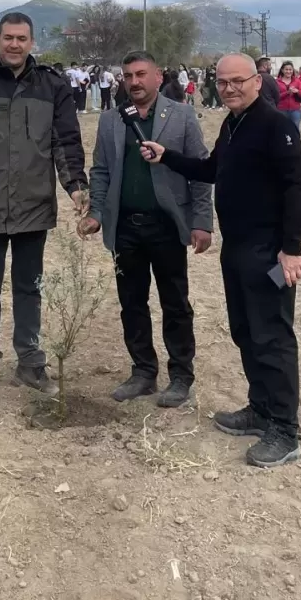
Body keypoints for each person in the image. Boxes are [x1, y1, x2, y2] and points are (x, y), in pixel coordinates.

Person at [139, 53, 301, 469]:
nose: (230, 88)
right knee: (245, 333)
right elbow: (212, 169)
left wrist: (291, 248)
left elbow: (296, 189)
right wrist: (167, 156)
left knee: (273, 338)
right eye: (223, 81)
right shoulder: (233, 125)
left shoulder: (274, 127)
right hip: (236, 249)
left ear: (257, 80)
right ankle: (260, 409)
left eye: (238, 81)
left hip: (268, 251)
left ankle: (285, 430)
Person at [0, 12, 88, 406]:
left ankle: (30, 362)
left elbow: (66, 142)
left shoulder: (52, 86)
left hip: (33, 207)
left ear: (32, 42)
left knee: (30, 288)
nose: (14, 45)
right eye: (8, 37)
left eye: (22, 39)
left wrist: (76, 187)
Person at [80, 51, 213, 408]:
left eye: (141, 74)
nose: (134, 82)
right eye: (128, 75)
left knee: (175, 304)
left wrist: (202, 221)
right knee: (132, 303)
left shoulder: (181, 115)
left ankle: (181, 376)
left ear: (157, 77)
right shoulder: (110, 120)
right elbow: (102, 170)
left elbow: (199, 171)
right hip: (126, 228)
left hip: (167, 226)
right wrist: (96, 212)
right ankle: (143, 373)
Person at [276, 62, 301, 129]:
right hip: (281, 110)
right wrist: (287, 92)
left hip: (295, 110)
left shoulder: (297, 81)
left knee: (295, 130)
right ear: (282, 70)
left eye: (290, 69)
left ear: (293, 70)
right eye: (286, 69)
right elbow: (276, 96)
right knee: (282, 130)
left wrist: (297, 91)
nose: (288, 71)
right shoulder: (277, 82)